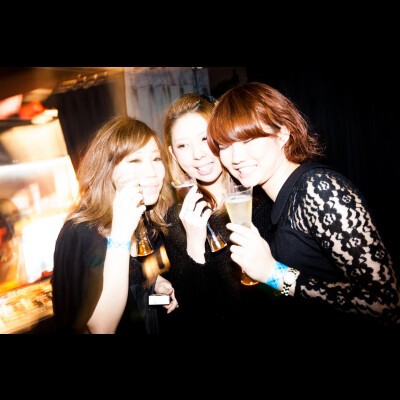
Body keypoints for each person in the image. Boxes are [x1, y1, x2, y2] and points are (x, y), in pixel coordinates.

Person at [207, 81, 400, 334]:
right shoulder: (275, 201)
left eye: (248, 139)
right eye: (225, 146)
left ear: (283, 133)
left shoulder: (318, 187)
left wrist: (274, 274)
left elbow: (386, 304)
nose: (236, 158)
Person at [51, 116, 178, 334]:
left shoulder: (146, 220)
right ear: (108, 169)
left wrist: (156, 285)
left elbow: (135, 292)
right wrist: (120, 233)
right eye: (135, 161)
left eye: (156, 159)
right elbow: (102, 328)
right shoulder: (81, 233)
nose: (151, 172)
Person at [161, 93, 273, 333]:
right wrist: (194, 246)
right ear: (173, 154)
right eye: (182, 146)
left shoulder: (261, 194)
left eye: (204, 138)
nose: (197, 154)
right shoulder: (177, 219)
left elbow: (292, 283)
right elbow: (193, 314)